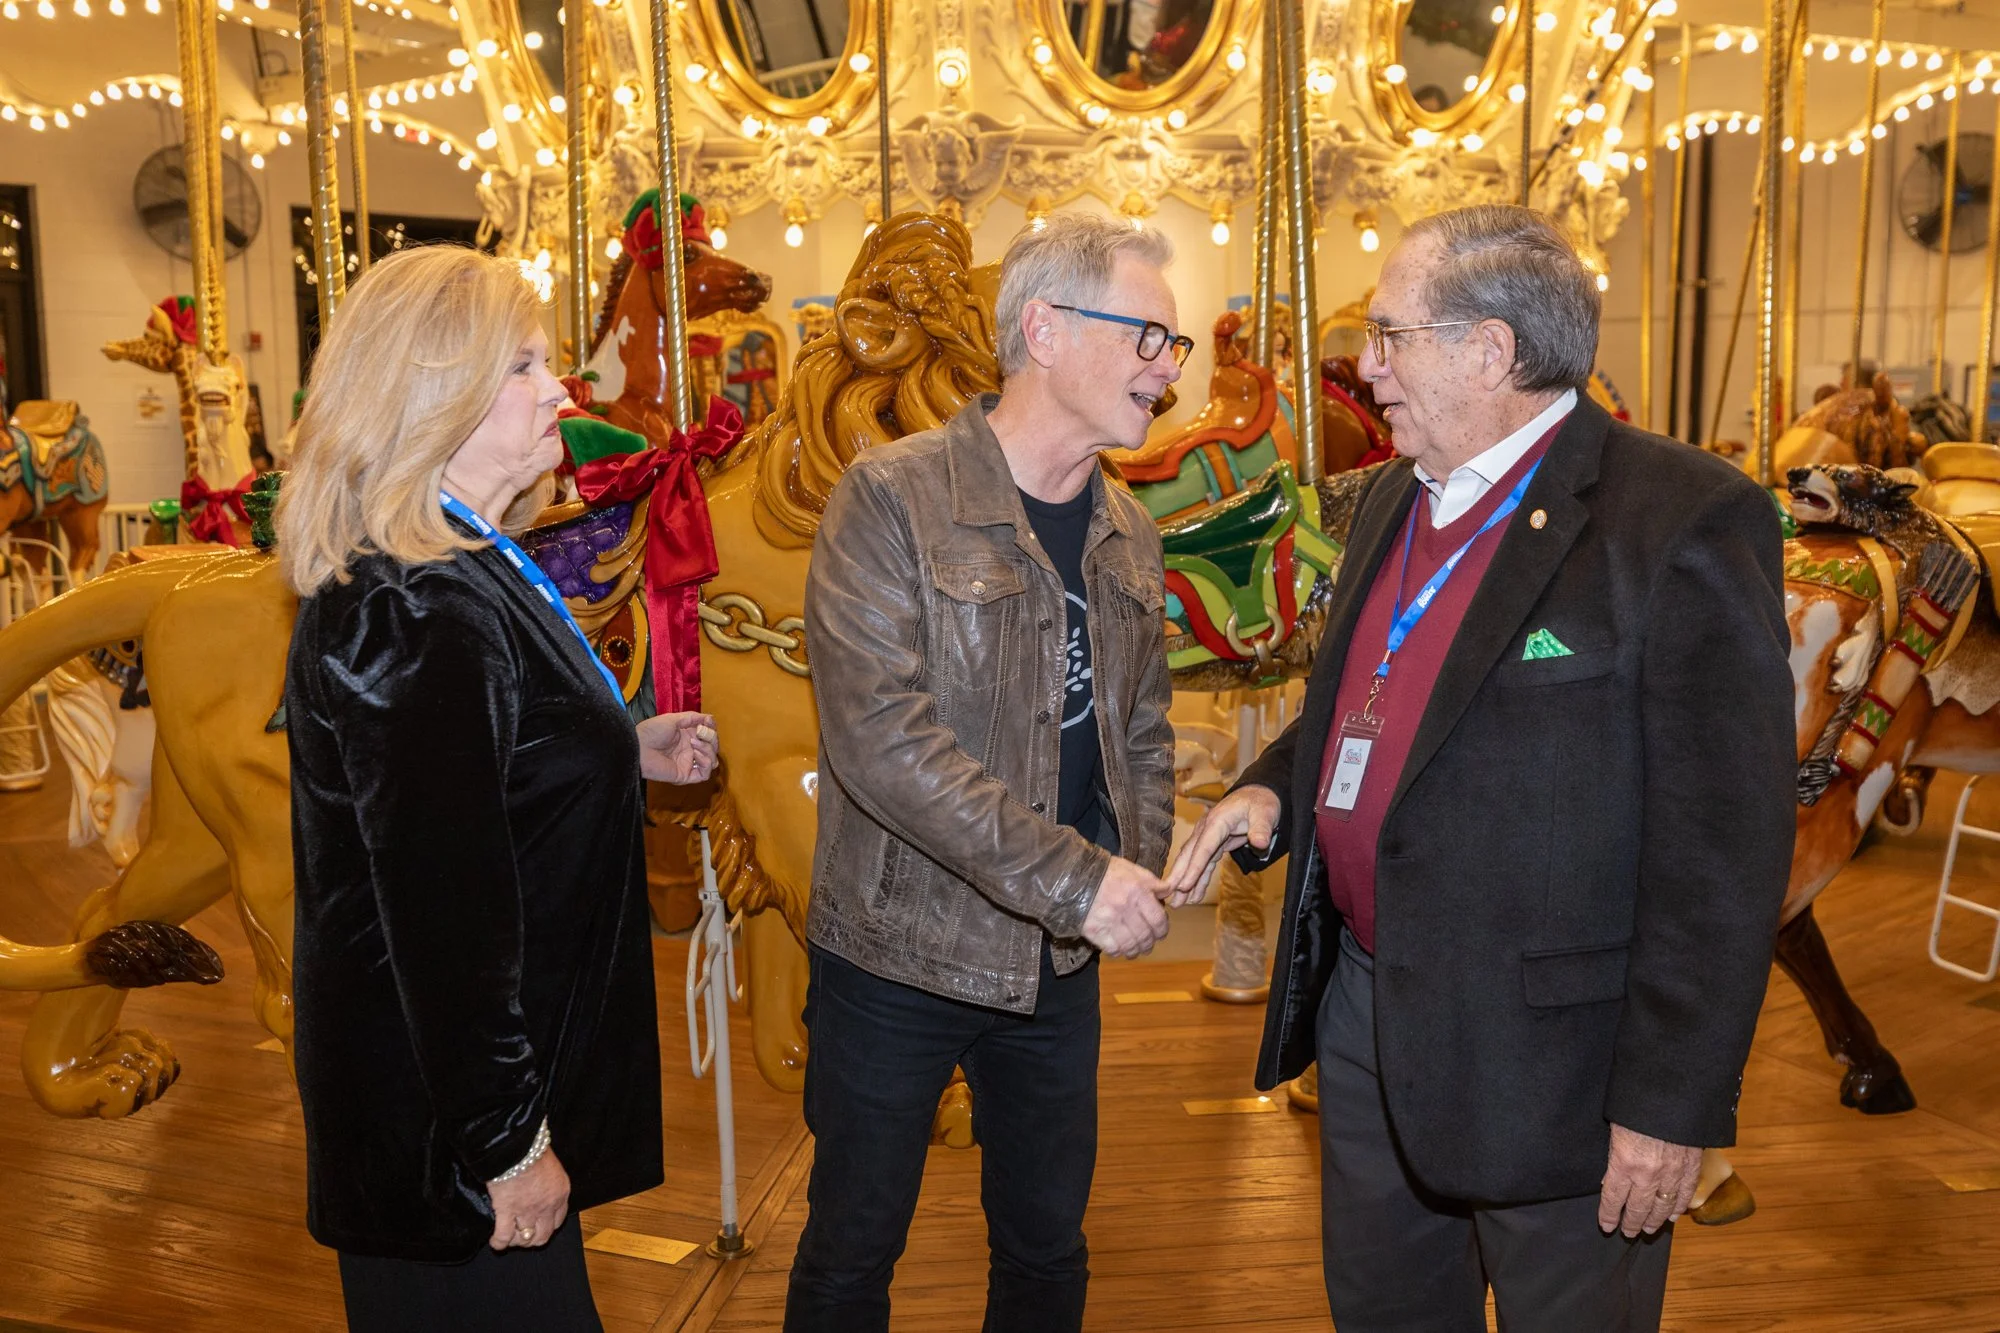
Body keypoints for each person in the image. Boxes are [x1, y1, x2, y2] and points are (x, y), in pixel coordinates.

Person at [1167, 204, 1795, 1331]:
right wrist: (1271, 781)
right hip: (1367, 1018)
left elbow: (1724, 850)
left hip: (1560, 1072)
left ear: (1489, 349)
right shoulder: (1390, 500)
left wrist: (1668, 1104)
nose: (1364, 367)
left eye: (1388, 335)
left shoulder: (1681, 520)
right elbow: (1354, 704)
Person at [276, 245, 719, 1331]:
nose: (561, 388)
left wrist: (617, 745)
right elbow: (440, 921)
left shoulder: (462, 562)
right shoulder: (418, 606)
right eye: (523, 365)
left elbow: (483, 770)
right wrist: (508, 1147)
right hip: (448, 1137)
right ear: (434, 398)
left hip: (468, 1114)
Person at [785, 211, 1187, 1332]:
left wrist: (1129, 870)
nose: (1165, 369)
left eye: (1174, 346)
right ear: (1045, 330)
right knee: (851, 1252)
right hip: (897, 952)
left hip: (1056, 962)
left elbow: (1142, 730)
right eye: (1148, 336)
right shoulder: (891, 500)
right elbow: (884, 745)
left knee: (1048, 1249)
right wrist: (1081, 883)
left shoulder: (1128, 533)